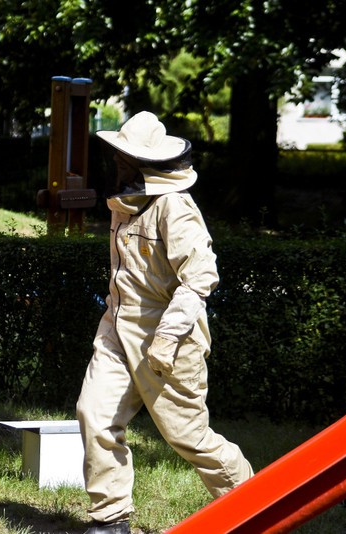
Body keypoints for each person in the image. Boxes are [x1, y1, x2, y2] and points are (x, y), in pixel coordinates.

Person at [76, 112, 254, 534]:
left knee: (187, 436)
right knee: (94, 414)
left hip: (169, 341)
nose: (117, 165)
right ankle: (110, 518)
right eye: (117, 156)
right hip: (117, 328)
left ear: (145, 164)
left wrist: (168, 337)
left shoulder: (175, 207)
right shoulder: (125, 203)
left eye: (125, 159)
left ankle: (253, 504)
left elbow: (201, 275)